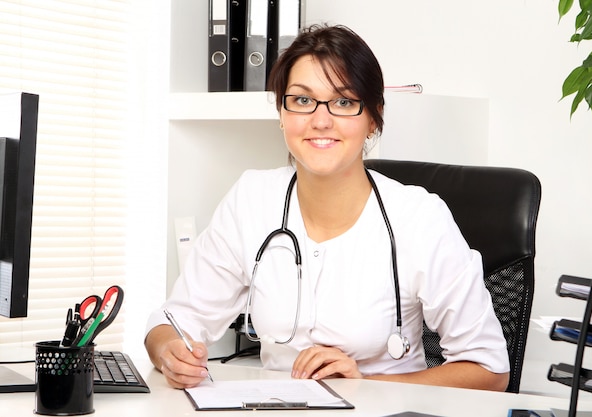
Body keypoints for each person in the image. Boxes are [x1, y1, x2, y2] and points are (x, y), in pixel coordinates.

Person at [144, 23, 510, 392]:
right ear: (282, 113)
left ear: (373, 118)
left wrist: (365, 384)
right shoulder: (251, 199)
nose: (320, 121)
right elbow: (173, 322)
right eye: (302, 100)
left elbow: (489, 369)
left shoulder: (419, 218)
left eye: (344, 102)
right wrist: (170, 353)